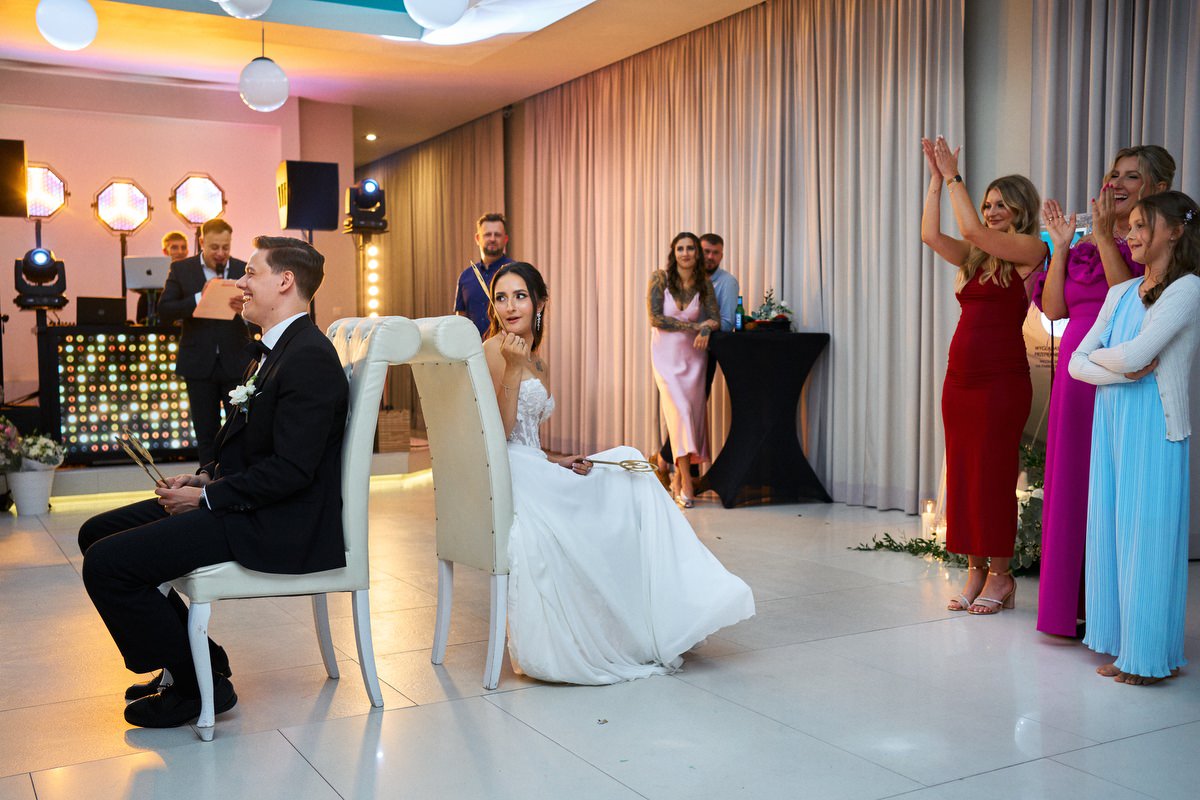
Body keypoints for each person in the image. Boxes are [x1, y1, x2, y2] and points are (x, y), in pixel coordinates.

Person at [78, 235, 349, 728]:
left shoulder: (308, 356)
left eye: (252, 273)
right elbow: (253, 449)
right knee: (94, 532)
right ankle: (199, 657)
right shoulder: (272, 350)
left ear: (285, 282)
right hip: (246, 500)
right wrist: (204, 476)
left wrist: (207, 499)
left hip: (277, 521)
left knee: (106, 565)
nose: (240, 282)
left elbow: (292, 470)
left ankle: (194, 685)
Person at [482, 261, 754, 684]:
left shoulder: (537, 361)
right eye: (501, 298)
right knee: (626, 472)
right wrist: (513, 370)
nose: (510, 306)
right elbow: (498, 438)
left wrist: (557, 462)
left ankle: (677, 602)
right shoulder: (494, 352)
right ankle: (675, 602)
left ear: (540, 303)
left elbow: (528, 438)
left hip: (535, 466)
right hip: (511, 475)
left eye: (520, 296)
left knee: (633, 466)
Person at [1033, 146, 1175, 638]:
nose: (1115, 183)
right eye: (1114, 174)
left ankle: (1108, 612)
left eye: (1131, 177)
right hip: (1074, 380)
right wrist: (1061, 248)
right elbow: (1054, 310)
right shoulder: (1084, 245)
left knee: (1110, 492)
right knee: (1071, 486)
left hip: (1118, 377)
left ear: (1157, 189)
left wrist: (1104, 237)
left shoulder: (1150, 247)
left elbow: (1127, 303)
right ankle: (1065, 608)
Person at [1069, 191, 1200, 685]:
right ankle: (1123, 643)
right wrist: (1120, 367)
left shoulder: (1187, 290)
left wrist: (1107, 361)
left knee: (1148, 540)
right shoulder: (1119, 293)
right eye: (1132, 225)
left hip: (1154, 427)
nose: (1132, 234)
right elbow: (1078, 362)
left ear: (1176, 232)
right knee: (1110, 534)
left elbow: (1131, 355)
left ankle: (1146, 658)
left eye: (1144, 225)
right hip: (1111, 426)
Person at [920, 136, 1047, 614]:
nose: (991, 212)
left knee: (993, 477)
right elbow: (931, 236)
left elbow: (970, 229)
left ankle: (1001, 575)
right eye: (988, 203)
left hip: (1001, 381)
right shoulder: (977, 258)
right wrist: (936, 181)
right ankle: (975, 570)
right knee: (964, 475)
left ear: (1020, 210)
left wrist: (955, 175)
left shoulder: (1031, 248)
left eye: (1000, 205)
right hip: (960, 380)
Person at [159, 218, 252, 467]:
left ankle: (235, 479)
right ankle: (207, 481)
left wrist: (245, 311)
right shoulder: (182, 269)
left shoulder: (244, 269)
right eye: (214, 247)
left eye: (225, 247)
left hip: (236, 362)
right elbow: (165, 310)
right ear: (202, 242)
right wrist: (200, 297)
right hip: (198, 364)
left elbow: (262, 317)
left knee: (239, 430)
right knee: (205, 432)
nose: (220, 253)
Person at [648, 232, 720, 508]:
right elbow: (656, 318)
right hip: (665, 357)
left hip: (694, 358)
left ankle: (678, 479)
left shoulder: (704, 284)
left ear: (696, 253)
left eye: (690, 248)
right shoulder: (660, 278)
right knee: (680, 412)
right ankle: (687, 480)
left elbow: (714, 318)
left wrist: (705, 328)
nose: (686, 253)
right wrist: (695, 326)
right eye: (681, 248)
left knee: (690, 416)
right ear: (673, 252)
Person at [454, 212, 514, 336]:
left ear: (505, 239)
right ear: (477, 238)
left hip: (507, 346)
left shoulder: (516, 272)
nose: (492, 239)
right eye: (487, 234)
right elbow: (460, 321)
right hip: (472, 347)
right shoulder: (465, 277)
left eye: (497, 234)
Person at [137, 231, 191, 323]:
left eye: (183, 247)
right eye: (174, 247)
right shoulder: (154, 280)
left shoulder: (194, 276)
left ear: (187, 251)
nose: (180, 252)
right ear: (165, 251)